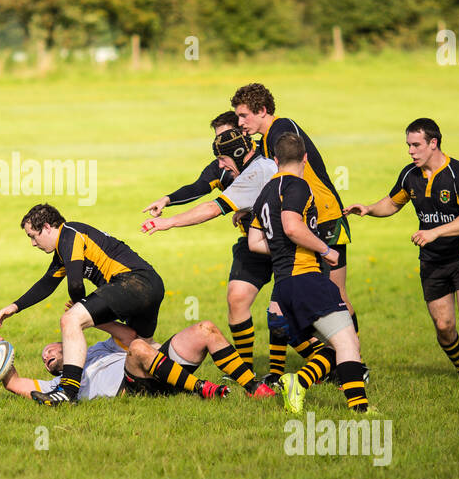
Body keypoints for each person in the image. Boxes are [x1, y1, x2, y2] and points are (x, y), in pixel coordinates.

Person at [141, 128, 318, 391]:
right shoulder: (260, 167)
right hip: (258, 243)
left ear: (237, 153)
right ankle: (244, 370)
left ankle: (329, 364)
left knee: (283, 317)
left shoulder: (256, 172)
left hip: (288, 249)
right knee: (238, 296)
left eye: (223, 159)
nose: (220, 165)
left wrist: (169, 223)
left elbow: (214, 208)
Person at [344, 118, 459, 379]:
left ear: (433, 143)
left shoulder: (458, 173)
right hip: (432, 261)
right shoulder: (410, 174)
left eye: (416, 145)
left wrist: (434, 232)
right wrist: (368, 209)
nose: (411, 151)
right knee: (444, 326)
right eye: (408, 145)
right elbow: (392, 203)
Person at [0, 204, 200, 405]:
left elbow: (76, 284)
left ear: (48, 227)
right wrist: (15, 306)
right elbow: (48, 283)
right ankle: (192, 385)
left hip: (134, 282)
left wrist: (80, 308)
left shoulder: (69, 235)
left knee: (70, 319)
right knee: (142, 345)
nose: (33, 243)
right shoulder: (65, 244)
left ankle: (67, 391)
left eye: (33, 236)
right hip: (148, 283)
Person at [232, 82, 360, 374]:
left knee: (336, 295)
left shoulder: (282, 129)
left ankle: (353, 361)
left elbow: (284, 182)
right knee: (290, 299)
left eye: (243, 116)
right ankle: (334, 359)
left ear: (262, 110)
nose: (240, 123)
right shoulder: (267, 140)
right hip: (305, 219)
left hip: (325, 218)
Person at [250, 132, 372, 414]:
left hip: (284, 287)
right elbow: (292, 226)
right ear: (305, 158)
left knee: (335, 344)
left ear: (275, 159)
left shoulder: (265, 194)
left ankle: (301, 382)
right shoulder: (298, 186)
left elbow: (255, 242)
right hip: (307, 279)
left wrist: (282, 250)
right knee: (348, 341)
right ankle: (359, 410)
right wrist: (326, 250)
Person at [0, 320, 245, 401]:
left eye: (49, 351)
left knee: (206, 329)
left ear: (65, 342)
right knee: (139, 348)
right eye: (45, 360)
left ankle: (256, 387)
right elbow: (15, 383)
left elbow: (128, 335)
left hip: (159, 366)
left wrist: (87, 317)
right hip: (134, 383)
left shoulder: (99, 348)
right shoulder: (61, 386)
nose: (46, 357)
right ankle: (203, 388)